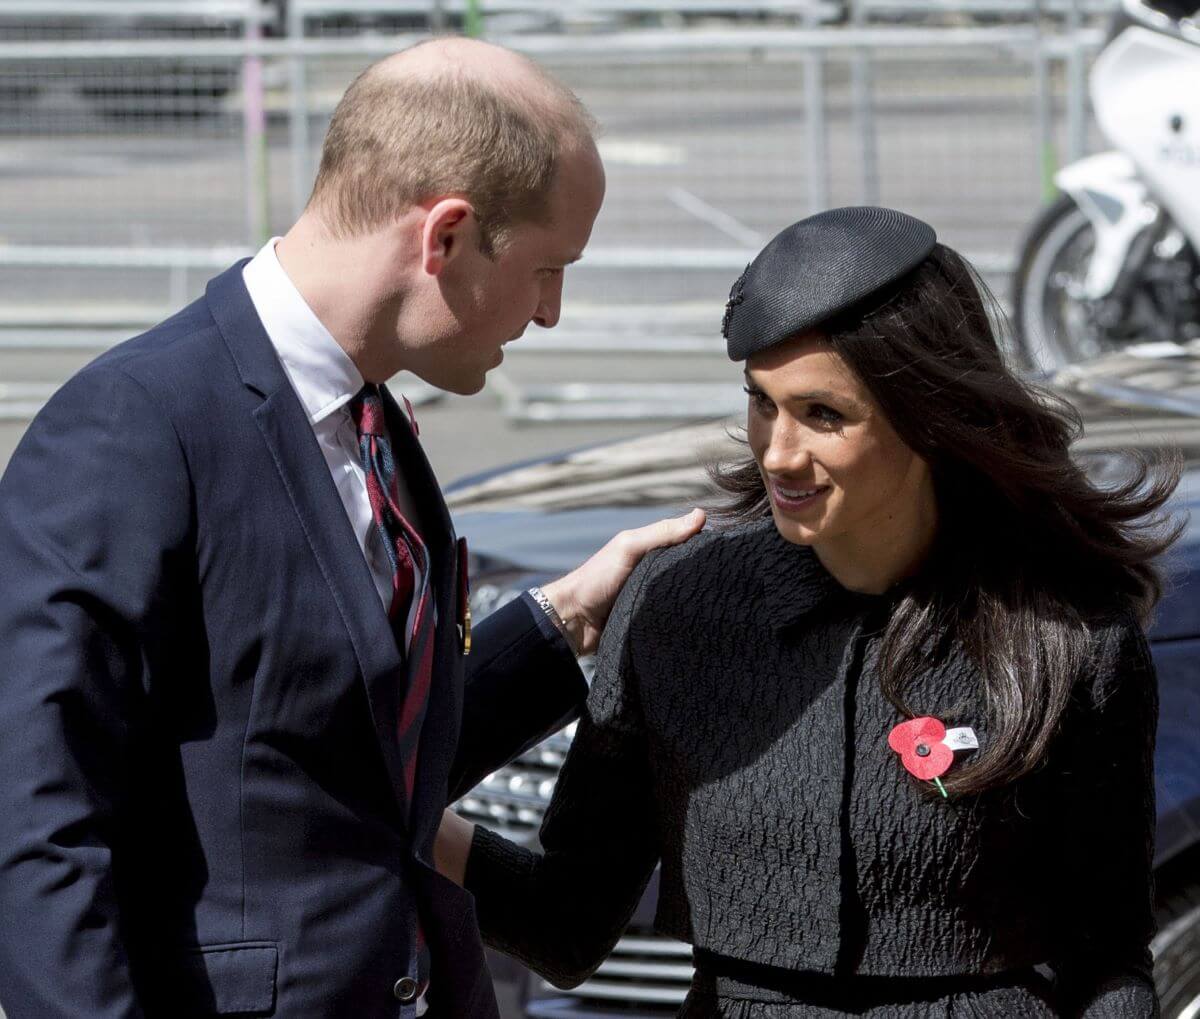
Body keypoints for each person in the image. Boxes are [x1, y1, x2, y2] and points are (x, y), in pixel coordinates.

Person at [0, 37, 705, 1019]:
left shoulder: (371, 419)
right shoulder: (135, 425)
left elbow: (343, 760)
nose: (551, 312)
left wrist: (558, 624)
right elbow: (38, 823)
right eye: (550, 269)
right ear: (445, 238)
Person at [435, 207, 1177, 1017]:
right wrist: (388, 807)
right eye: (763, 403)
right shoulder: (678, 606)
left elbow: (1109, 958)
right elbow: (564, 923)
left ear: (929, 419)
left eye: (825, 414)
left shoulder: (1071, 634)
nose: (779, 452)